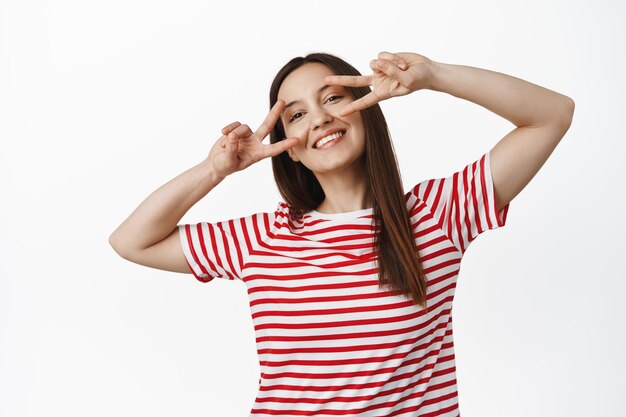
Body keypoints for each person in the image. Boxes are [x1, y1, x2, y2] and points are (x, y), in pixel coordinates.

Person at [109, 51, 574, 416]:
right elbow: (131, 240)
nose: (318, 119)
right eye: (295, 115)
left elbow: (553, 114)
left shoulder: (437, 215)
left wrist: (435, 76)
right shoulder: (264, 239)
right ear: (288, 150)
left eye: (332, 98)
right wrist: (214, 170)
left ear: (366, 108)